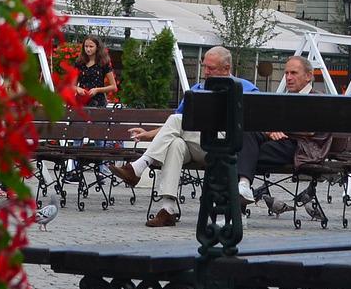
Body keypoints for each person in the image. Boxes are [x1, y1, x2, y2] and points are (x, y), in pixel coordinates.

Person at [110, 46, 257, 227]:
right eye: (204, 67)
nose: (206, 72)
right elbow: (177, 124)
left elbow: (256, 121)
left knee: (176, 129)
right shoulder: (197, 89)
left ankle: (139, 167)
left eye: (211, 68)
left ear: (226, 69)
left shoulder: (246, 88)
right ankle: (167, 209)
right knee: (176, 144)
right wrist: (149, 135)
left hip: (226, 144)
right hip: (199, 145)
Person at [247, 55, 334, 216]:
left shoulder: (318, 98)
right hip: (279, 144)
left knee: (240, 154)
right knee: (247, 136)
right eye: (286, 73)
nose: (288, 77)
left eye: (293, 73)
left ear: (308, 76)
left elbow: (310, 130)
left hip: (301, 148)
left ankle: (240, 195)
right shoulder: (285, 97)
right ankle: (243, 187)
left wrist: (280, 130)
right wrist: (270, 130)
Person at [73, 35, 117, 109]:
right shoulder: (79, 63)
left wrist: (97, 90)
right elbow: (71, 85)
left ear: (97, 47)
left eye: (91, 46)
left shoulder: (104, 63)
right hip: (81, 102)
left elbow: (113, 86)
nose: (88, 49)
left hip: (98, 103)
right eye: (86, 46)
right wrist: (78, 89)